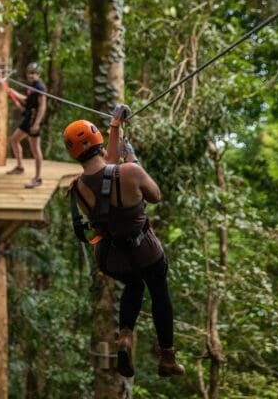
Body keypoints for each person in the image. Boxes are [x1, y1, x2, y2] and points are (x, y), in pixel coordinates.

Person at [63, 106, 185, 378]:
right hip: (145, 251)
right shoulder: (129, 171)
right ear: (97, 142)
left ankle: (125, 337)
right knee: (159, 292)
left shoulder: (76, 188)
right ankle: (167, 357)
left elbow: (105, 174)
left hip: (111, 258)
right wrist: (133, 160)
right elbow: (155, 195)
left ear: (72, 151)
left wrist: (115, 127)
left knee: (133, 282)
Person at [6, 62, 47, 189]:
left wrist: (37, 123)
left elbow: (42, 106)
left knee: (35, 149)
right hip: (28, 118)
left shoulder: (40, 87)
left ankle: (38, 178)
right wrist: (13, 92)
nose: (31, 75)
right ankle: (19, 167)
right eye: (30, 73)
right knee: (14, 140)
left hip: (34, 119)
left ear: (39, 74)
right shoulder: (32, 87)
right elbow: (26, 100)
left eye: (34, 73)